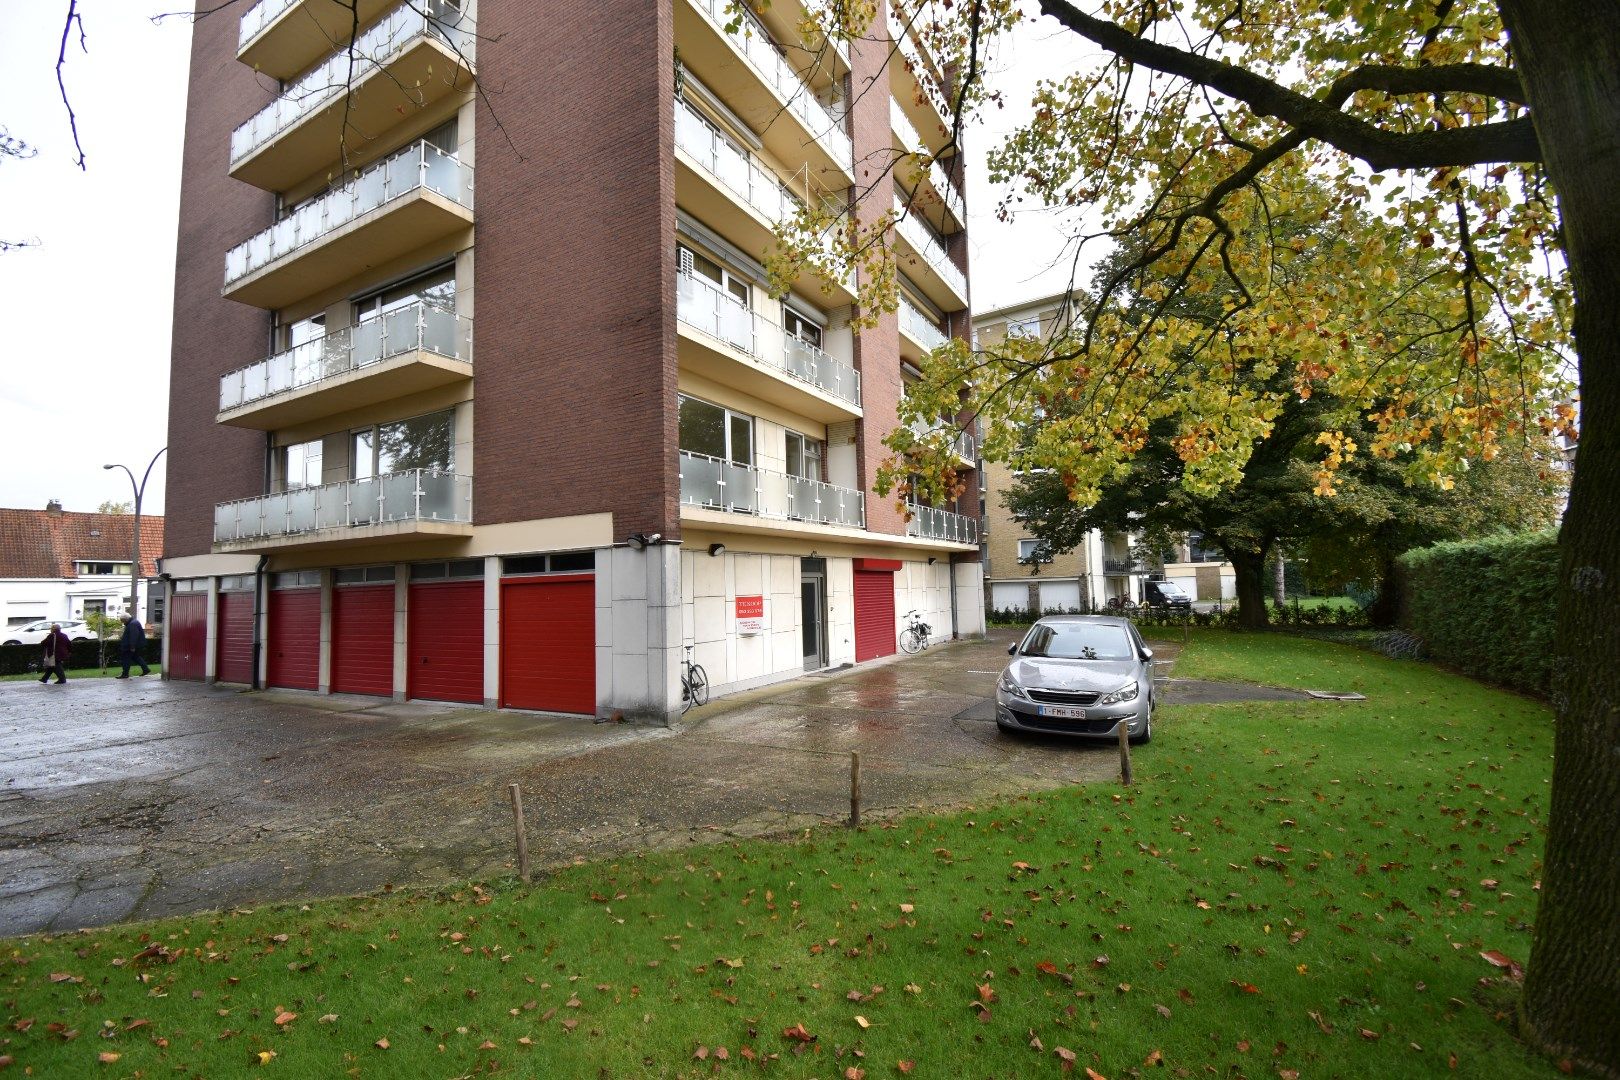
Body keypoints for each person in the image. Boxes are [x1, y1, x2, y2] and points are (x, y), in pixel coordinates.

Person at [117, 614, 150, 678]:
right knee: (136, 657)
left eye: (123, 621)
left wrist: (132, 646)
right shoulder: (134, 622)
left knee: (126, 659)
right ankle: (146, 669)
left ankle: (125, 674)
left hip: (130, 646)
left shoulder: (132, 624)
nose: (123, 623)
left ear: (126, 619)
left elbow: (133, 636)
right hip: (135, 645)